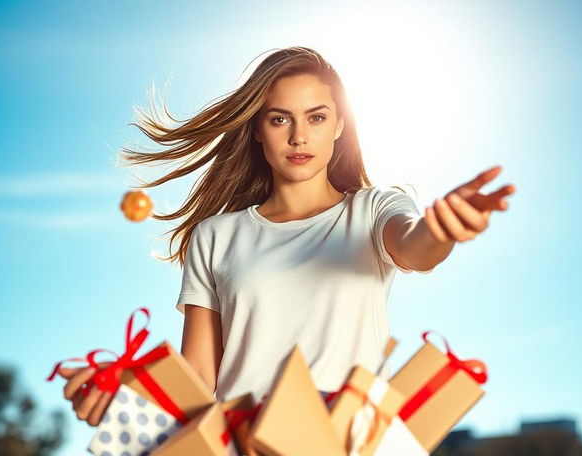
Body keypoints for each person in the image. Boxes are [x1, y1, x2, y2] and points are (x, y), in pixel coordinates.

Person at [57, 46, 515, 426]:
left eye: (316, 118)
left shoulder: (374, 210)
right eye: (280, 119)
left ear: (339, 126)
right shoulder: (214, 236)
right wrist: (121, 405)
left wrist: (441, 231)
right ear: (258, 128)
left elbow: (416, 248)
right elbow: (198, 378)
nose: (299, 136)